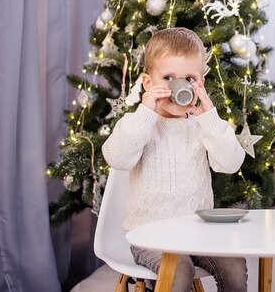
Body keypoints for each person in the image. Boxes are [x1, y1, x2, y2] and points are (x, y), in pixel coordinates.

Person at [102, 27, 248, 292]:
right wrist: (146, 111)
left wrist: (209, 116)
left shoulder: (202, 126)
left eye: (189, 78)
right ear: (148, 83)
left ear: (200, 83)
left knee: (234, 264)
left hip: (198, 232)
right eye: (168, 77)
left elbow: (230, 162)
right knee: (179, 268)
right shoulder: (138, 124)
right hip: (149, 236)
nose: (178, 86)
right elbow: (118, 158)